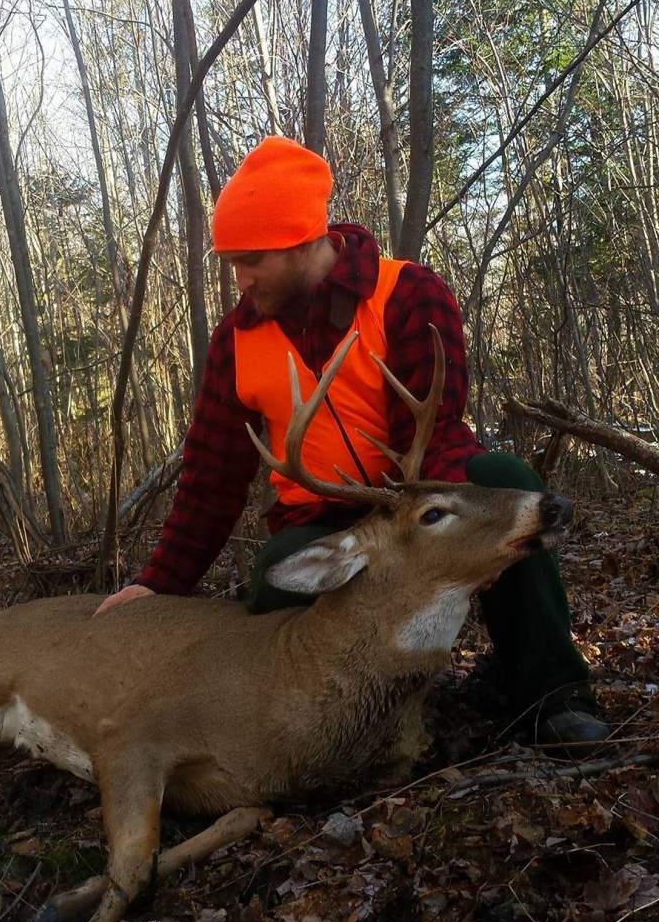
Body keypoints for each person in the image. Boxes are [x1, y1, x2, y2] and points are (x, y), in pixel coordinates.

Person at [97, 137, 608, 749]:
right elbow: (210, 478)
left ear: (305, 242)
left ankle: (551, 696)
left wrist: (468, 519)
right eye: (232, 261)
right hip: (322, 517)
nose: (240, 278)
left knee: (507, 480)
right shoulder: (237, 339)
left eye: (253, 258)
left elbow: (440, 431)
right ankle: (338, 726)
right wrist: (158, 584)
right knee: (275, 582)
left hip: (414, 497)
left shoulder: (408, 294)